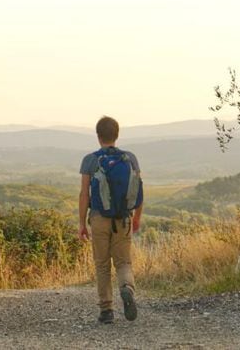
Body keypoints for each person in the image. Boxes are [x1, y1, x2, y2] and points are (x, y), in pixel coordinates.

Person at [78, 116, 143, 324]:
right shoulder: (130, 158)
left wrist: (81, 223)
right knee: (123, 263)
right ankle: (126, 288)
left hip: (98, 218)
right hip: (123, 217)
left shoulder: (90, 160)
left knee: (102, 264)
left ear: (98, 136)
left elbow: (84, 195)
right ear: (117, 135)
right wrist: (137, 218)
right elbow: (138, 189)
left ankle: (106, 310)